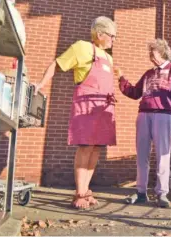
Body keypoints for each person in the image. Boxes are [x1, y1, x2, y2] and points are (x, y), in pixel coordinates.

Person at [35, 16, 118, 209]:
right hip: (86, 106)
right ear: (100, 34)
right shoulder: (82, 47)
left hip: (104, 109)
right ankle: (79, 193)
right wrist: (40, 85)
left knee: (97, 148)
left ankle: (86, 189)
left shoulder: (108, 58)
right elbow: (57, 64)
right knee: (86, 147)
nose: (114, 40)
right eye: (112, 36)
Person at [117, 39, 171, 208]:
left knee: (163, 154)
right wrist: (121, 79)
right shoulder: (149, 73)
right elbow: (135, 93)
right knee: (142, 155)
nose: (150, 54)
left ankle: (162, 193)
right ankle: (141, 192)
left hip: (163, 115)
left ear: (162, 52)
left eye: (152, 51)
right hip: (144, 114)